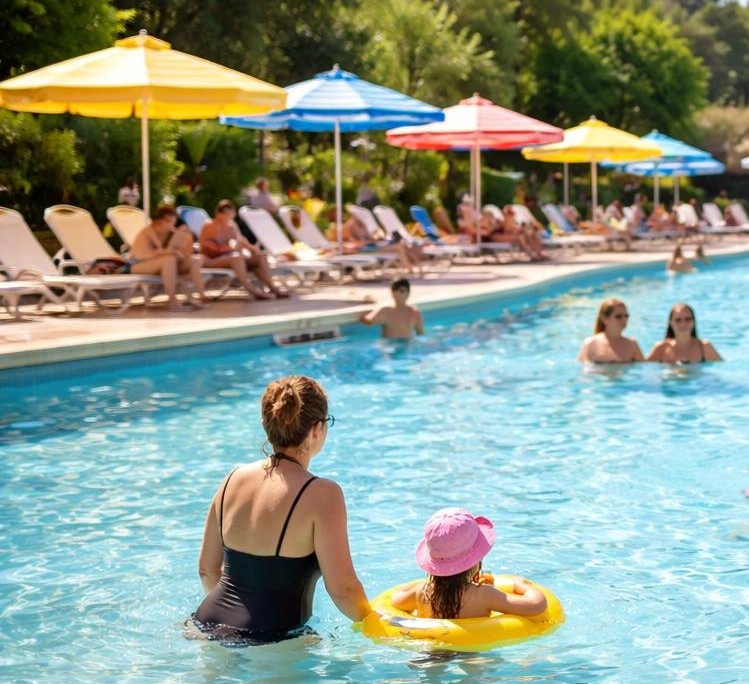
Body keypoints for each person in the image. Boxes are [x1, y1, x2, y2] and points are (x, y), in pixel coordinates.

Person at [192, 376, 371, 643]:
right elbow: (343, 589)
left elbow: (207, 570)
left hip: (204, 624)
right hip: (273, 638)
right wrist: (377, 622)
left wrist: (229, 625)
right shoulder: (323, 494)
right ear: (316, 430)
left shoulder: (233, 478)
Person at [388, 509, 547, 619]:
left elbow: (395, 601)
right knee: (477, 665)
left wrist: (414, 586)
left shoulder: (421, 591)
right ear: (475, 559)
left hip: (432, 648)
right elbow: (535, 605)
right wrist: (520, 585)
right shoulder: (485, 594)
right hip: (471, 652)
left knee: (432, 666)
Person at [200, 199, 286, 300]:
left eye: (230, 214)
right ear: (218, 213)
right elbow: (206, 246)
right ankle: (253, 291)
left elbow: (240, 241)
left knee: (261, 256)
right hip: (214, 260)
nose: (227, 217)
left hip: (234, 257)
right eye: (225, 214)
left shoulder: (232, 225)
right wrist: (228, 248)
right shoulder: (209, 225)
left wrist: (251, 249)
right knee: (237, 257)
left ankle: (272, 287)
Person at [131, 205, 207, 311]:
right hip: (138, 264)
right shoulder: (148, 232)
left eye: (173, 220)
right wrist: (170, 252)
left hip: (160, 264)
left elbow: (185, 253)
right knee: (169, 260)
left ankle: (201, 296)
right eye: (168, 220)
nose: (171, 223)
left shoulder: (171, 232)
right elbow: (146, 255)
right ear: (159, 220)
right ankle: (171, 299)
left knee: (194, 260)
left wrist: (185, 241)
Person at [647, 302, 722, 363]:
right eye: (678, 320)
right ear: (670, 323)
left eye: (687, 319)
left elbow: (720, 370)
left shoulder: (704, 347)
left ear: (693, 321)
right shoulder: (661, 348)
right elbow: (645, 371)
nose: (683, 324)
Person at [577, 298, 644, 363]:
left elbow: (643, 370)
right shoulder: (590, 344)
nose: (624, 319)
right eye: (618, 316)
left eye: (626, 316)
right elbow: (581, 371)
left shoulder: (632, 345)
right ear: (604, 319)